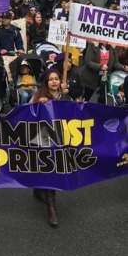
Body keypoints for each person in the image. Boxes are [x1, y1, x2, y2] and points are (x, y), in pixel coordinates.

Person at [30, 69, 72, 227]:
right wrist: (38, 106)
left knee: (52, 169)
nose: (54, 82)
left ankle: (40, 189)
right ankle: (51, 207)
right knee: (48, 169)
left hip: (61, 139)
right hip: (43, 139)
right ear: (46, 83)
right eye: (51, 79)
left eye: (56, 79)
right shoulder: (38, 97)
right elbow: (26, 116)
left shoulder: (67, 98)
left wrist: (80, 107)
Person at [0, 12, 25, 109]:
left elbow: (19, 43)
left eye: (6, 18)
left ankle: (13, 99)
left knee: (13, 79)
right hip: (0, 59)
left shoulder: (15, 31)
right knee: (0, 80)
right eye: (2, 18)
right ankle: (0, 98)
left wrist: (20, 49)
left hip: (12, 58)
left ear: (10, 19)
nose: (4, 20)